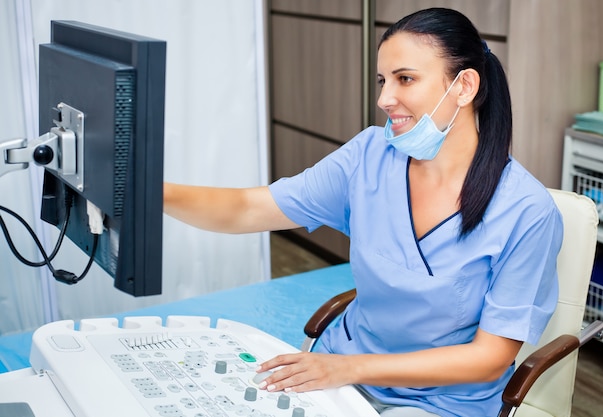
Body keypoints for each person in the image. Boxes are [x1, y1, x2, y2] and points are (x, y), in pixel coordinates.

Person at [163, 7, 563, 417]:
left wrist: (346, 368)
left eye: (404, 78)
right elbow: (248, 209)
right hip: (341, 367)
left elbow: (490, 357)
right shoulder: (369, 155)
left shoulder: (527, 211)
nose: (384, 99)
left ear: (464, 86)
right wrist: (150, 193)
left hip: (438, 401)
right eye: (382, 80)